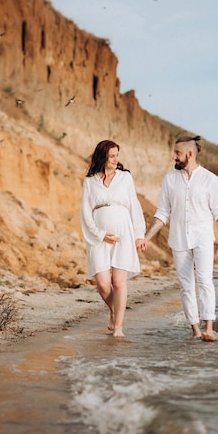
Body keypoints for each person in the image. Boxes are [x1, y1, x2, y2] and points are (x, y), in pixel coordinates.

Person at [138, 135, 218, 341]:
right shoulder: (170, 179)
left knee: (205, 281)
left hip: (203, 238)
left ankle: (209, 328)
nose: (173, 157)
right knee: (185, 285)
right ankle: (195, 331)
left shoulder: (209, 179)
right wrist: (147, 237)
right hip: (179, 239)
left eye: (177, 153)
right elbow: (162, 213)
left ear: (189, 154)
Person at [80, 140, 146, 338]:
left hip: (123, 234)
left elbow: (134, 205)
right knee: (102, 283)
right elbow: (85, 212)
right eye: (112, 156)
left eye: (117, 155)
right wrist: (100, 234)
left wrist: (139, 234)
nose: (117, 159)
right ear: (102, 157)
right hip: (99, 236)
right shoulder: (90, 181)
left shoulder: (125, 178)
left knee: (118, 282)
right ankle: (114, 311)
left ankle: (118, 327)